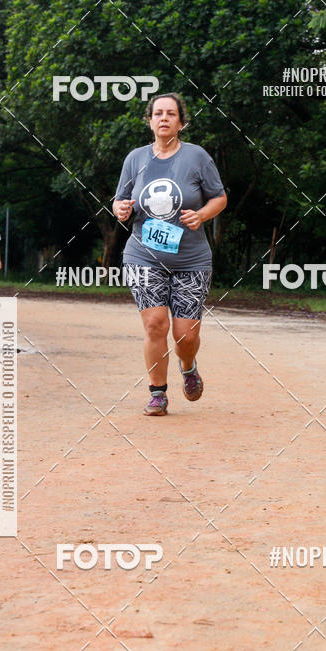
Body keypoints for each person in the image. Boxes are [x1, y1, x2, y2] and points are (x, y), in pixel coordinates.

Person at [113, 93, 227, 415]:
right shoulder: (135, 159)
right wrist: (120, 208)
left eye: (171, 114)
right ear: (149, 120)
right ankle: (157, 393)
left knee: (184, 335)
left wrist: (202, 215)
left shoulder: (197, 157)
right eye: (158, 113)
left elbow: (219, 198)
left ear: (181, 121)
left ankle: (188, 365)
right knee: (155, 324)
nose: (164, 118)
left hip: (191, 259)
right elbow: (120, 200)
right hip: (143, 254)